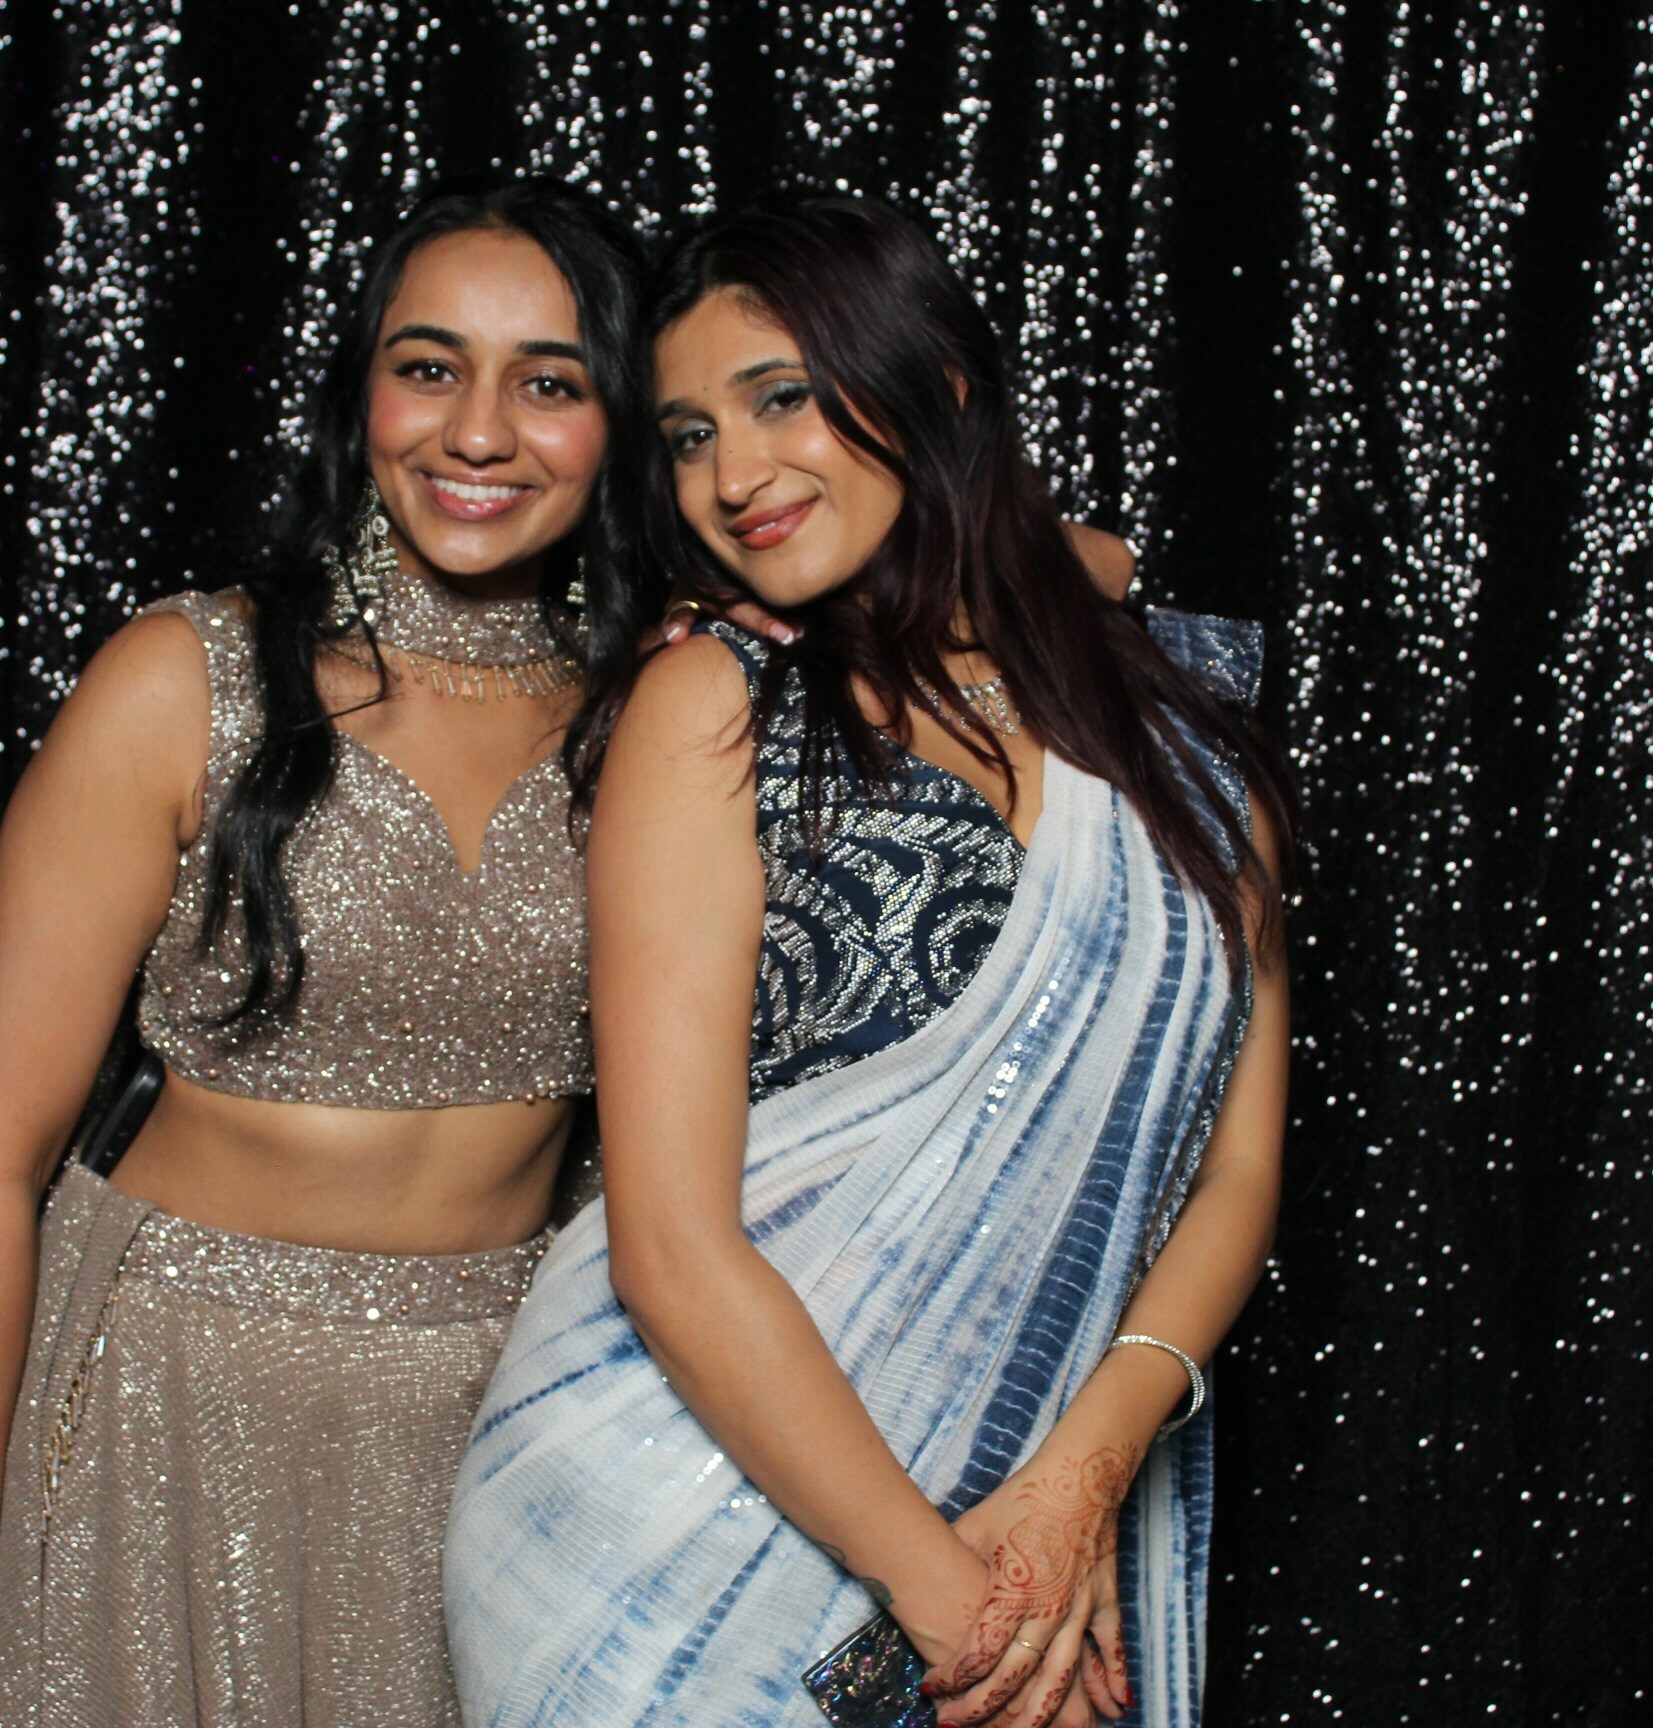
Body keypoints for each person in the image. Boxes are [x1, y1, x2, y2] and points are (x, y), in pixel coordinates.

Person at [445, 194, 1296, 1728]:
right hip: (669, 1528)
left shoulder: (1182, 730)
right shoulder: (715, 706)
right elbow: (670, 1250)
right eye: (689, 436)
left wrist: (1081, 1484)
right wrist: (971, 1617)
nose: (732, 476)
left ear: (937, 387)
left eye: (780, 398)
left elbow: (1232, 1170)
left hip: (1049, 1494)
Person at [0, 178, 668, 1728]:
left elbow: (1044, 572)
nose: (478, 431)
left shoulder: (662, 712)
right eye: (429, 367)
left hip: (501, 1422)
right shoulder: (186, 681)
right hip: (167, 1400)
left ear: (626, 421)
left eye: (549, 383)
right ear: (361, 396)